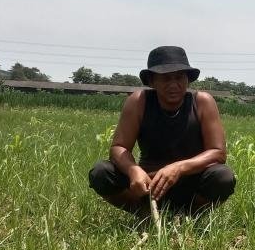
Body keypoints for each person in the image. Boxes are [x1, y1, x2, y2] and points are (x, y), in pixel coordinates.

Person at [89, 46, 235, 217]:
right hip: (148, 184)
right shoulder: (138, 101)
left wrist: (179, 168)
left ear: (187, 80)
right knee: (101, 172)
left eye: (179, 77)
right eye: (166, 78)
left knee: (223, 177)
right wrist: (133, 170)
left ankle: (189, 215)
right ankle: (144, 213)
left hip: (192, 183)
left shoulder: (202, 102)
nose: (174, 84)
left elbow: (218, 153)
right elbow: (118, 148)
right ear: (152, 81)